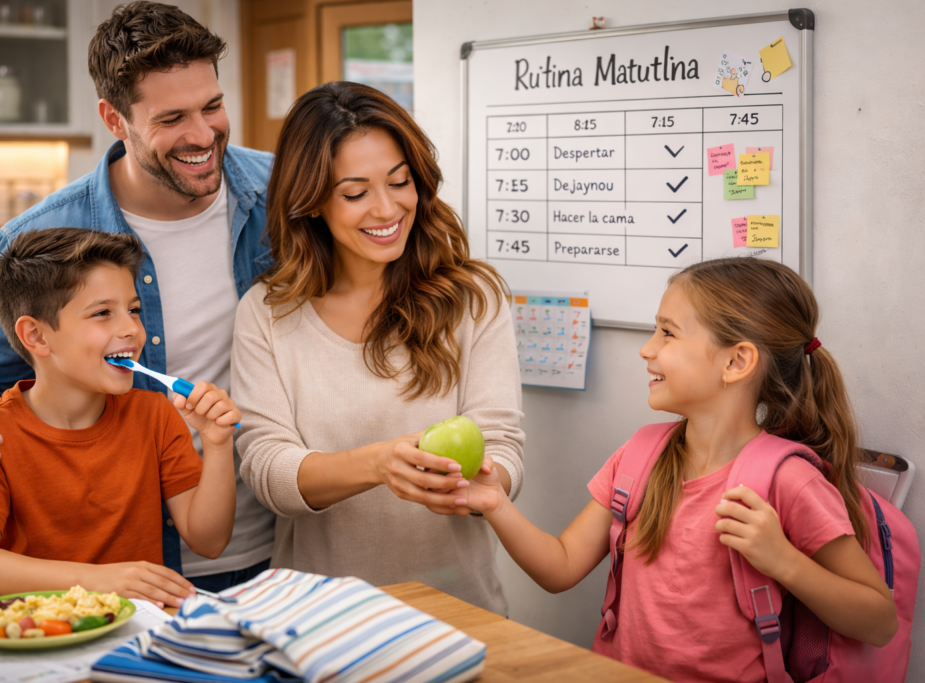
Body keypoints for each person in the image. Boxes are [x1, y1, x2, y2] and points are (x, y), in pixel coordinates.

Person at [0, 2, 276, 594]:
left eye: (212, 106)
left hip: (279, 545)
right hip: (134, 578)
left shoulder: (284, 191)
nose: (202, 134)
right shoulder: (41, 234)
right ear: (114, 118)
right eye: (172, 118)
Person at [452, 257, 898, 681]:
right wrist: (494, 503)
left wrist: (783, 561)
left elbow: (879, 622)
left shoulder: (790, 481)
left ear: (736, 361)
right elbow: (561, 567)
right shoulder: (638, 457)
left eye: (667, 333)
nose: (647, 348)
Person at [232, 82, 525, 614]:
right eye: (355, 193)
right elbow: (269, 473)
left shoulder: (473, 299)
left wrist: (484, 484)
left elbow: (503, 447)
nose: (387, 208)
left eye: (399, 181)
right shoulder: (267, 312)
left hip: (460, 611)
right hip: (319, 618)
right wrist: (377, 464)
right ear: (311, 201)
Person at [0, 229, 240, 606]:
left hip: (141, 632)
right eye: (103, 313)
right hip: (42, 632)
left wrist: (217, 444)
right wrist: (96, 581)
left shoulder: (154, 416)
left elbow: (209, 542)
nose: (132, 329)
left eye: (133, 310)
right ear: (36, 336)